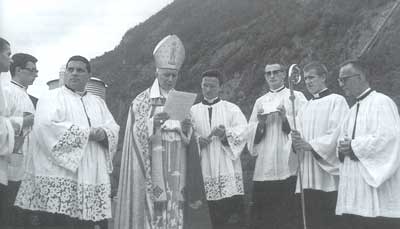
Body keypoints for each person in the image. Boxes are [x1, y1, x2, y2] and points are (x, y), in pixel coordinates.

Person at [14, 55, 120, 229]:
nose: (74, 73)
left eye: (80, 70)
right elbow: (45, 127)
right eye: (70, 69)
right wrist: (87, 133)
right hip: (61, 173)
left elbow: (113, 127)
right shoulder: (51, 98)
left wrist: (104, 134)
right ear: (65, 73)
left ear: (88, 75)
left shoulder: (98, 102)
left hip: (91, 174)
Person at [114, 35, 205, 229]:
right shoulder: (142, 101)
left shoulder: (182, 101)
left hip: (177, 164)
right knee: (154, 206)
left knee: (175, 206)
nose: (171, 79)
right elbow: (132, 135)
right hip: (154, 164)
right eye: (166, 75)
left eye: (174, 75)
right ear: (157, 73)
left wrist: (187, 130)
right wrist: (152, 124)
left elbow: (190, 138)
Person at [335, 59, 400, 229]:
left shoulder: (382, 102)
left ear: (361, 77)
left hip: (377, 192)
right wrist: (342, 148)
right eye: (339, 80)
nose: (341, 85)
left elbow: (389, 140)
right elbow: (343, 142)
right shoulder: (351, 111)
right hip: (355, 190)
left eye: (344, 79)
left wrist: (354, 146)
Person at [247, 63, 307, 229]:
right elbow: (250, 130)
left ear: (283, 75)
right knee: (265, 215)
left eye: (275, 72)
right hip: (265, 162)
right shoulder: (260, 101)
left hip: (287, 160)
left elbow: (305, 123)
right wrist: (260, 124)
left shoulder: (296, 96)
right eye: (268, 74)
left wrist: (285, 118)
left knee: (288, 213)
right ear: (265, 77)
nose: (272, 76)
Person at [290, 62, 349, 229]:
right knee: (311, 218)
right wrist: (295, 141)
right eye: (306, 78)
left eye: (312, 77)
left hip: (327, 173)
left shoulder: (337, 101)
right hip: (307, 173)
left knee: (330, 219)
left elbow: (338, 132)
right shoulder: (305, 107)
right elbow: (298, 136)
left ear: (323, 77)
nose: (308, 82)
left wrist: (312, 146)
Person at [190, 69, 247, 228]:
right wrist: (196, 141)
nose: (208, 89)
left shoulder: (231, 109)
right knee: (208, 219)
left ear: (220, 87)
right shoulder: (192, 111)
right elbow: (186, 136)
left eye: (212, 86)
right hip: (204, 169)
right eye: (205, 85)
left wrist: (225, 134)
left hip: (226, 167)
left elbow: (243, 131)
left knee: (231, 220)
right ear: (201, 86)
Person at [1, 53, 38, 227]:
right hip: (10, 166)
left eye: (36, 71)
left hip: (25, 165)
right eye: (32, 70)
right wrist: (24, 122)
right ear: (18, 70)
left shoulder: (27, 97)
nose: (36, 74)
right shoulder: (6, 91)